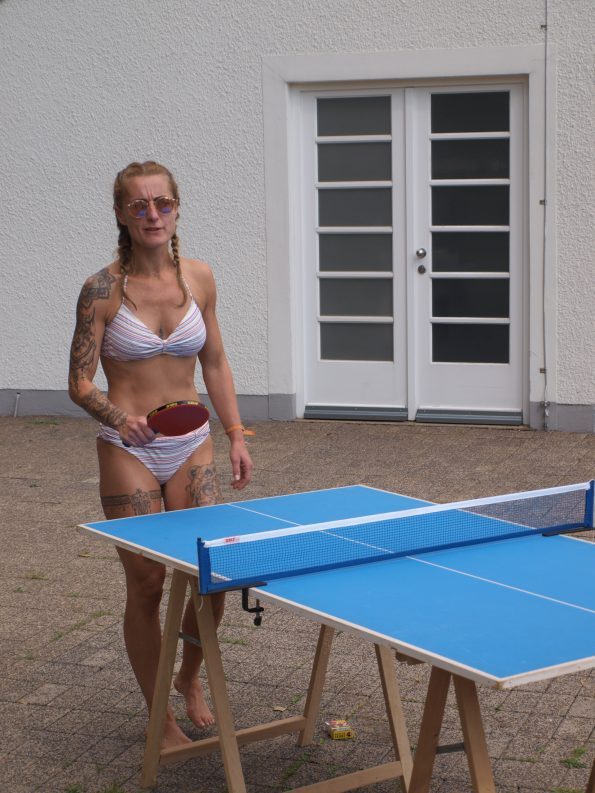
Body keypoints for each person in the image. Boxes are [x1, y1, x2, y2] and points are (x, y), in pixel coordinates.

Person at [68, 160, 253, 748]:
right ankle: (160, 722)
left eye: (163, 203)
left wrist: (236, 433)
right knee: (147, 585)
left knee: (212, 577)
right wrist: (120, 419)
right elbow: (79, 382)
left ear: (176, 208)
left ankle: (188, 677)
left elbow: (215, 362)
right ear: (121, 214)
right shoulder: (102, 290)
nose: (153, 214)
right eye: (139, 205)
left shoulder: (199, 278)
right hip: (129, 448)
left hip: (191, 442)